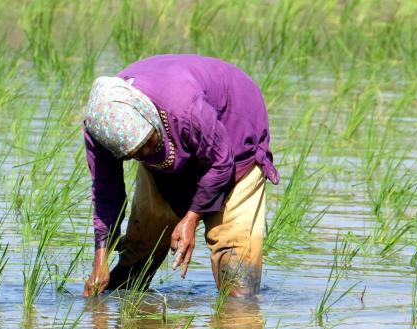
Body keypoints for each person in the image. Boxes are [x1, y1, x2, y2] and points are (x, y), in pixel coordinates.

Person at [82, 54, 279, 297]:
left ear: (150, 118)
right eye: (134, 154)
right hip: (176, 138)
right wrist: (100, 259)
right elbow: (105, 192)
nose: (145, 153)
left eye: (147, 143)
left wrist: (191, 218)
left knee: (236, 273)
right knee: (136, 260)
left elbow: (221, 162)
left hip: (233, 138)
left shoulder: (184, 106)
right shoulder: (102, 129)